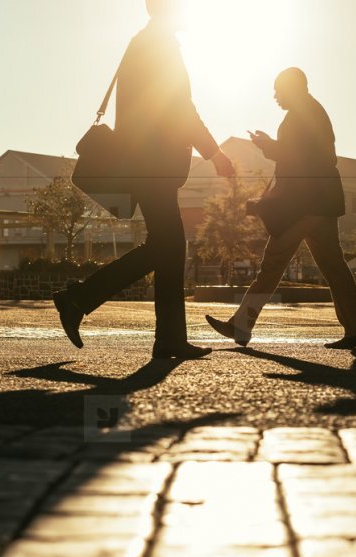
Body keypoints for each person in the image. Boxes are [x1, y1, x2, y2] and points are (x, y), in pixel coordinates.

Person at [53, 0, 234, 359]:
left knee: (168, 246)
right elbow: (180, 108)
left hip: (150, 160)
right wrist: (214, 154)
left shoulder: (148, 41)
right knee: (166, 245)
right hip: (154, 161)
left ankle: (168, 337)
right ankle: (79, 298)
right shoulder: (159, 45)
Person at [205, 68, 356, 350]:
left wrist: (268, 146)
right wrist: (271, 145)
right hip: (321, 203)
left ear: (292, 88)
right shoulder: (311, 111)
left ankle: (241, 325)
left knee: (272, 266)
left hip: (303, 205)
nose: (275, 96)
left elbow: (301, 157)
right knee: (334, 267)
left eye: (278, 90)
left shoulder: (302, 114)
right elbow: (311, 154)